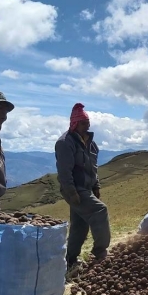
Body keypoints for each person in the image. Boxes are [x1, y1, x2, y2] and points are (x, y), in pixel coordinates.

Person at [55, 103, 110, 270]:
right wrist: (71, 193)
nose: (88, 126)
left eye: (88, 122)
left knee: (80, 225)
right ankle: (100, 253)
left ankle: (70, 260)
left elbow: (94, 167)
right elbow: (64, 171)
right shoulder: (65, 143)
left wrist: (96, 186)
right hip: (75, 189)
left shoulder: (91, 144)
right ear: (75, 123)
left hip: (86, 189)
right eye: (84, 123)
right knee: (100, 210)